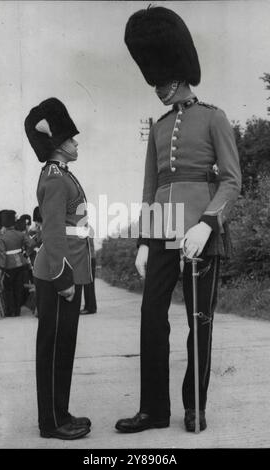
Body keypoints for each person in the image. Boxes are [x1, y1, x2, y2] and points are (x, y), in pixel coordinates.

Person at [115, 6, 241, 434]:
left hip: (200, 233)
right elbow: (150, 188)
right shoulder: (159, 126)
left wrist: (207, 223)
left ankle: (195, 406)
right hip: (162, 231)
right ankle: (152, 409)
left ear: (180, 74)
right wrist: (145, 242)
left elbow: (232, 181)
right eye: (154, 81)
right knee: (152, 318)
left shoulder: (214, 117)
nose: (157, 89)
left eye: (162, 81)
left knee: (197, 323)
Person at [24, 97, 93, 440]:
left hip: (68, 268)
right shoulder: (54, 177)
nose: (76, 142)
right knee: (53, 348)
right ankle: (50, 423)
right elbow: (52, 231)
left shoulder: (62, 174)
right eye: (71, 138)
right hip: (57, 272)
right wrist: (63, 278)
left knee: (64, 346)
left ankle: (60, 412)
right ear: (58, 143)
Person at [0, 210, 34, 317]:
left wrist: (2, 267)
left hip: (8, 265)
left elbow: (2, 254)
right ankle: (17, 311)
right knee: (18, 287)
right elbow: (31, 244)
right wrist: (24, 253)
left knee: (8, 288)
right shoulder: (20, 234)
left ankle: (10, 311)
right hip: (21, 263)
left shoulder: (2, 237)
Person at [80, 237, 97, 314]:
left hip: (88, 258)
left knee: (88, 283)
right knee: (88, 283)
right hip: (89, 257)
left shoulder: (85, 229)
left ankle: (90, 308)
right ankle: (89, 306)